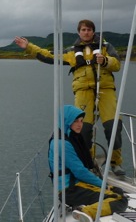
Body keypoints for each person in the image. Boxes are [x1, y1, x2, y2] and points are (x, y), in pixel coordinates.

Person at [14, 19, 125, 176]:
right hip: (83, 92)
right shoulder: (72, 51)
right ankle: (89, 162)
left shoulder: (105, 47)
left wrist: (105, 61)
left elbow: (117, 64)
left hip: (105, 90)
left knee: (113, 126)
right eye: (83, 29)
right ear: (79, 32)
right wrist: (29, 47)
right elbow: (49, 56)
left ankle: (115, 163)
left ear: (93, 32)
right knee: (83, 130)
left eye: (89, 29)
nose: (86, 32)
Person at [49, 105, 128, 221]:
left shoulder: (67, 138)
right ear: (66, 121)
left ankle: (83, 207)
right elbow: (80, 172)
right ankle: (86, 212)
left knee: (117, 191)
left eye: (81, 121)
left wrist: (106, 186)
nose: (80, 124)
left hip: (72, 187)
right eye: (75, 121)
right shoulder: (62, 144)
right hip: (71, 190)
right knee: (119, 199)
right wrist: (104, 185)